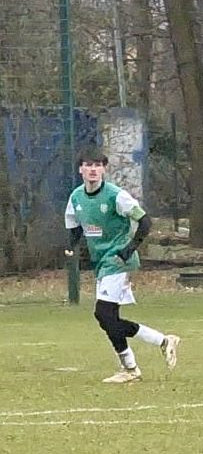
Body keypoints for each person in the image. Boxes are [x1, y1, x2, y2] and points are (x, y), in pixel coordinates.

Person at [64, 146, 180, 383]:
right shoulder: (76, 197)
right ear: (80, 170)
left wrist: (129, 249)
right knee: (108, 319)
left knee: (103, 313)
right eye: (88, 165)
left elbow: (145, 221)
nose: (93, 169)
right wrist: (73, 246)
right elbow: (74, 226)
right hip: (102, 263)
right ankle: (149, 352)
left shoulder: (116, 195)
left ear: (104, 169)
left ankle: (136, 364)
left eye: (98, 165)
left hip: (118, 261)